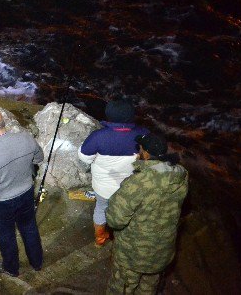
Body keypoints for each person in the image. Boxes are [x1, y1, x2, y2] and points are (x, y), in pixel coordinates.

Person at [106, 133, 188, 294]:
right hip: (162, 252)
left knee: (121, 288)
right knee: (148, 288)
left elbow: (115, 220)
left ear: (147, 153)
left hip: (133, 255)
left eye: (140, 149)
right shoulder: (181, 174)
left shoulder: (138, 183)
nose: (138, 152)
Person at [0, 110, 44, 277]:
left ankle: (12, 268)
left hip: (1, 204)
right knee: (29, 228)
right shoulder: (26, 138)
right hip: (26, 193)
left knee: (7, 236)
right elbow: (39, 158)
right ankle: (37, 262)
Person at [78, 99, 149, 247]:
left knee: (101, 209)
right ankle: (125, 237)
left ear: (108, 114)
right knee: (129, 211)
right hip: (131, 188)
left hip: (103, 188)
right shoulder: (143, 134)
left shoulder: (98, 136)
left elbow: (84, 157)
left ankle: (100, 239)